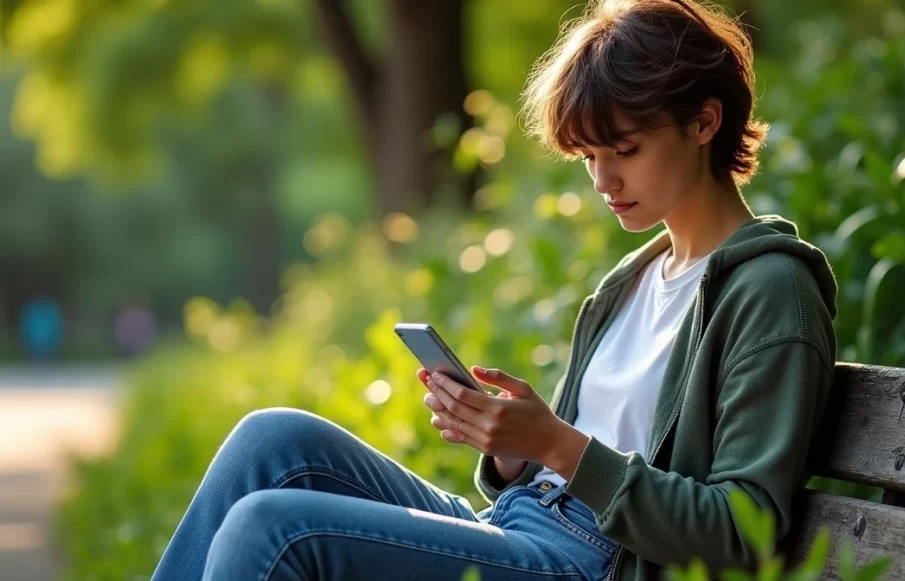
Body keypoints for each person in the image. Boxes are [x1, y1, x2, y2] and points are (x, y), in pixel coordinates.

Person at [151, 0, 837, 579]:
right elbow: (571, 460)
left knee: (275, 526)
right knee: (271, 441)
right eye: (589, 157)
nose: (602, 180)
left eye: (624, 149)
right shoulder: (630, 281)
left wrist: (561, 446)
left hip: (594, 563)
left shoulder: (771, 291)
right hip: (525, 519)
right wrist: (516, 448)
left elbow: (743, 533)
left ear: (704, 122)